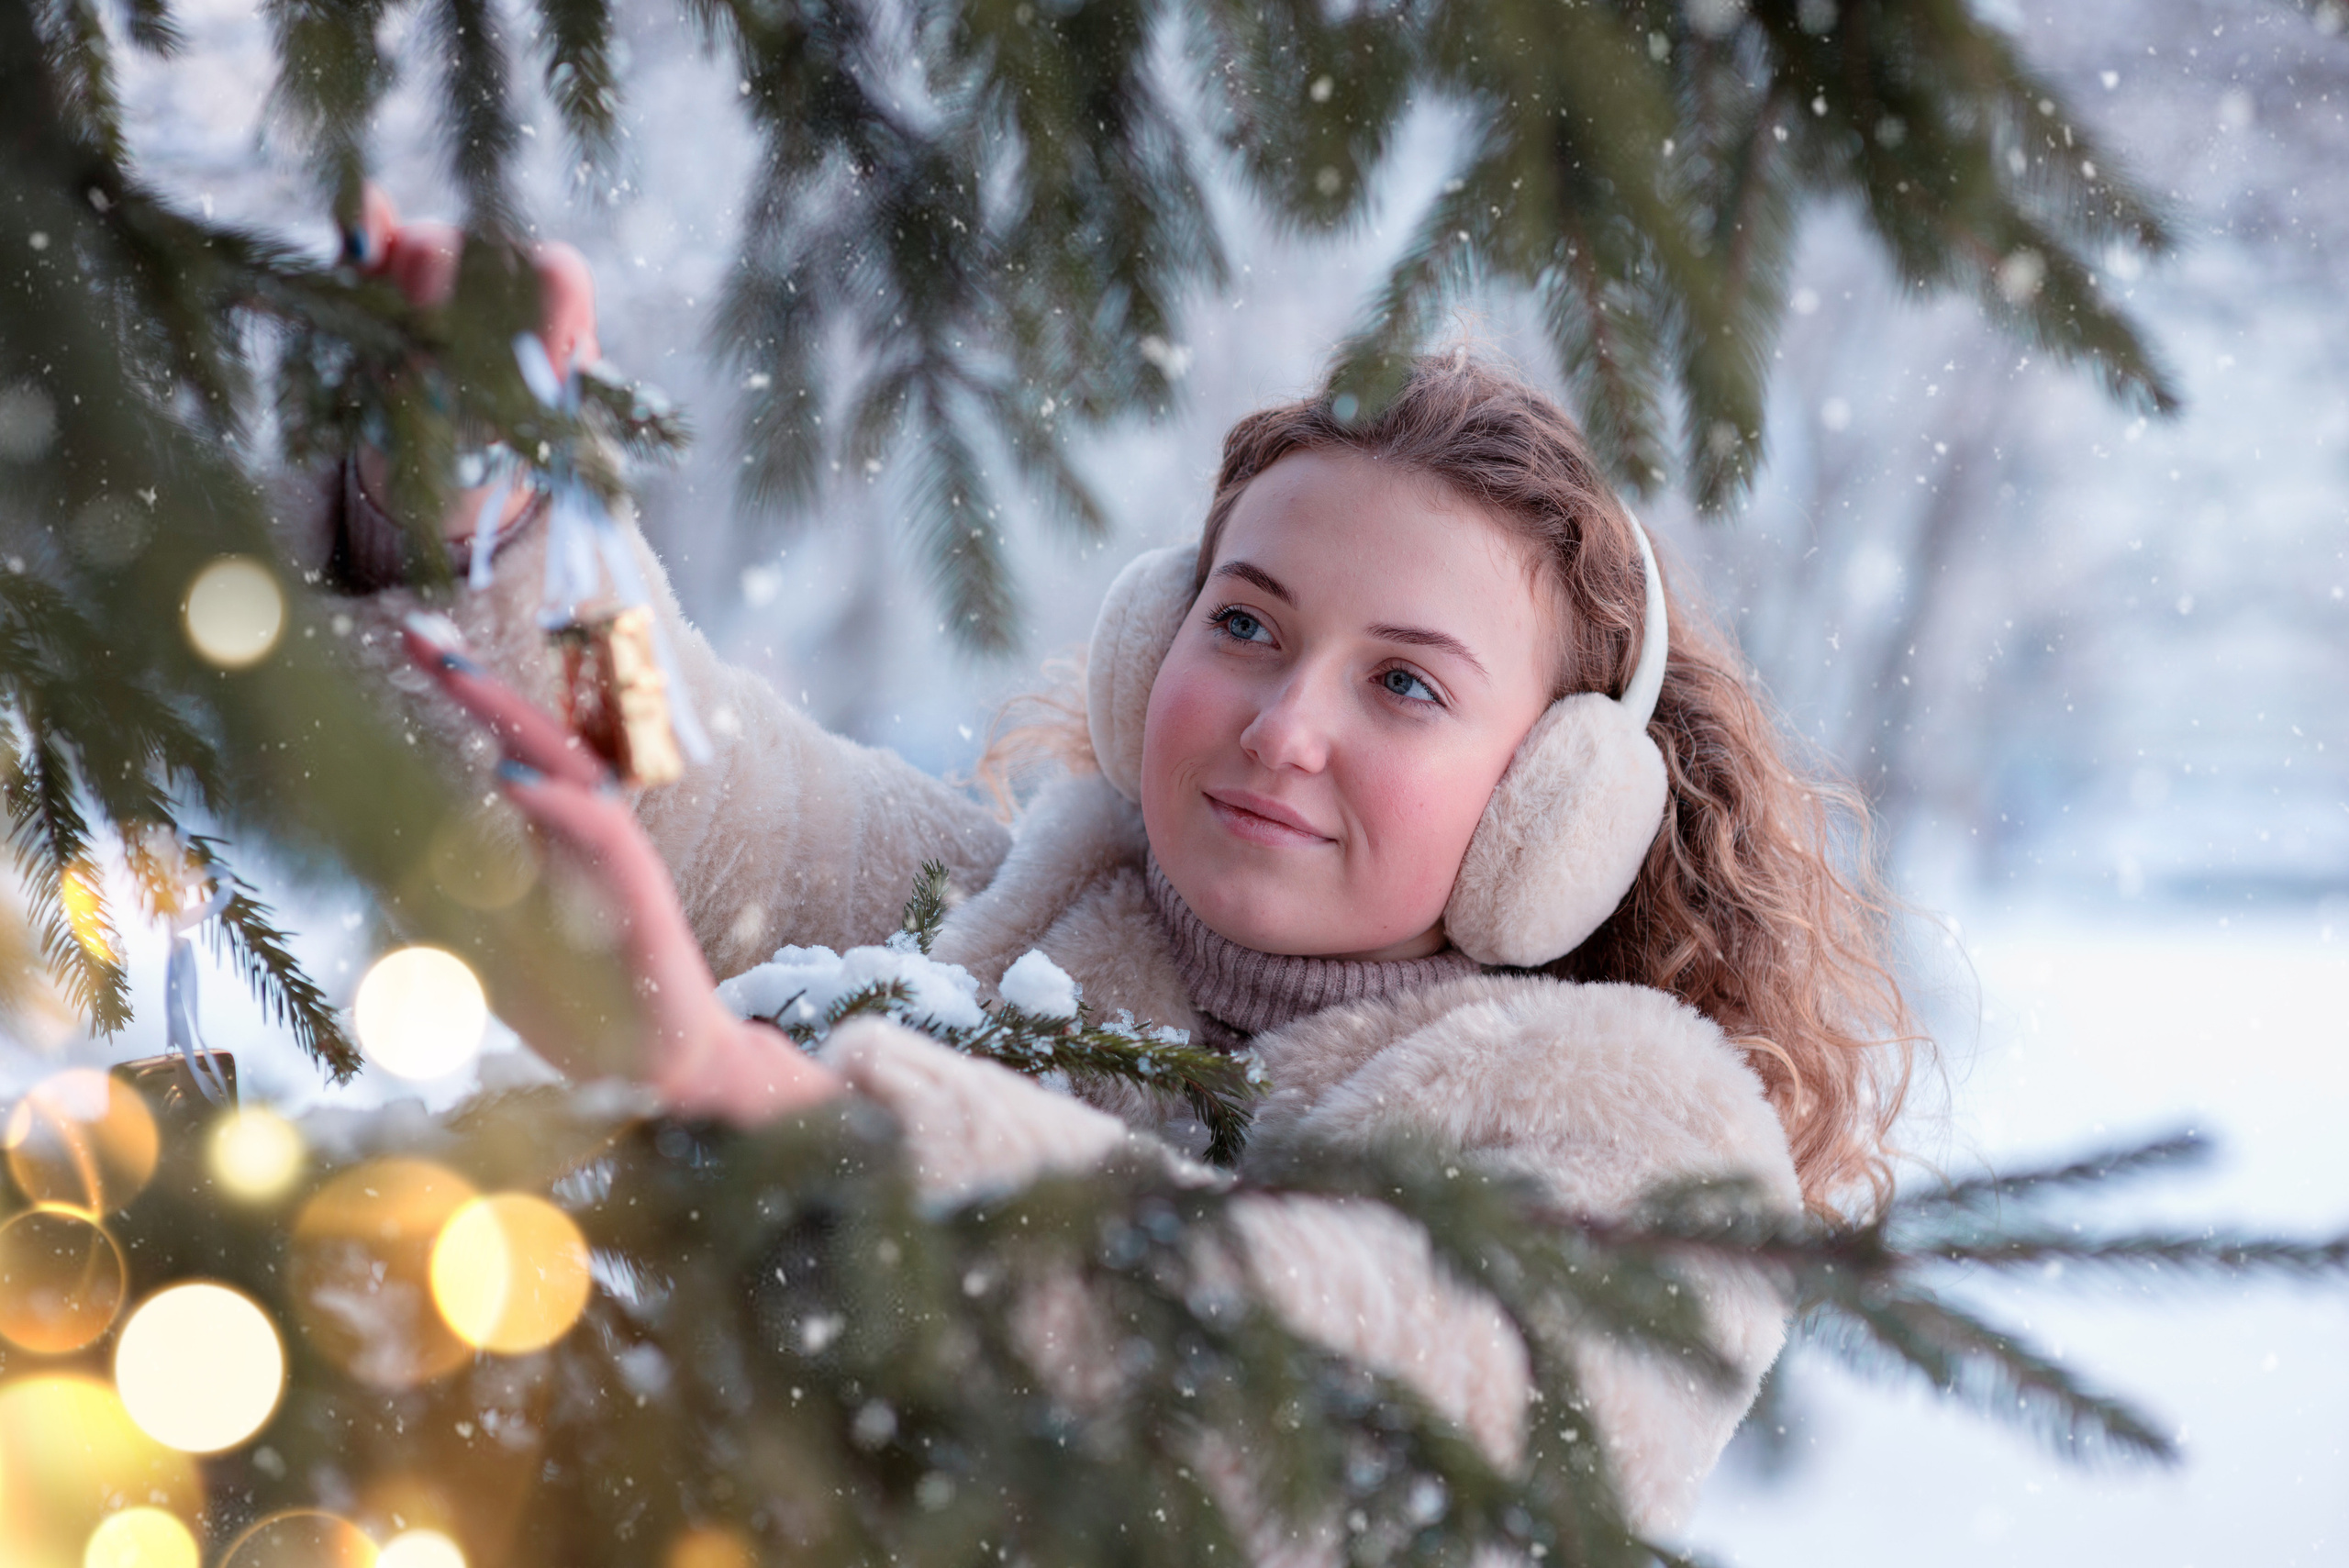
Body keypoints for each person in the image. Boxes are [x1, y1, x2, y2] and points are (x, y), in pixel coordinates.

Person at [332, 193, 1917, 1540]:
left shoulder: (1649, 1133)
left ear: (1552, 804)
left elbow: (1330, 1416)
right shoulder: (1006, 916)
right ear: (1146, 646)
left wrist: (803, 1117)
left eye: (1406, 683)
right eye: (1246, 625)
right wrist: (494, 504)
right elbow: (669, 777)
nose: (1284, 723)